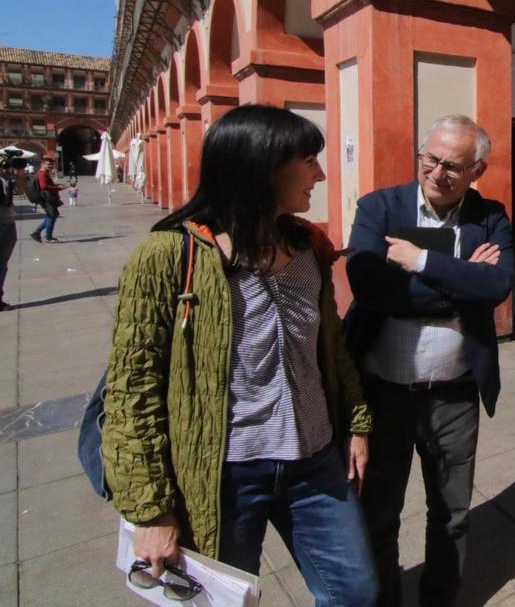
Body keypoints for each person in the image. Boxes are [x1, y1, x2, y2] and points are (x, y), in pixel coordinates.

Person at [100, 104, 378, 607]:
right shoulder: (169, 257)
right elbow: (131, 393)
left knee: (355, 592)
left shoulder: (308, 245)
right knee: (220, 603)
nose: (320, 173)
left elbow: (331, 349)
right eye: (308, 159)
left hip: (315, 463)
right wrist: (151, 512)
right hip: (224, 472)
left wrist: (356, 421)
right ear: (262, 166)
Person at [345, 115, 514, 607]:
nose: (438, 173)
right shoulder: (380, 207)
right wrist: (462, 282)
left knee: (452, 512)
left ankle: (440, 597)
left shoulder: (490, 216)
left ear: (477, 169)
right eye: (431, 159)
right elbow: (370, 287)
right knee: (378, 512)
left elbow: (499, 286)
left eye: (453, 166)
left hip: (454, 395)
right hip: (382, 392)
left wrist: (420, 262)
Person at [0, 155, 25, 310]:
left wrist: (20, 174)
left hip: (8, 223)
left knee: (2, 265)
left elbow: (20, 191)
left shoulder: (5, 178)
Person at [30, 156, 65, 243]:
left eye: (52, 165)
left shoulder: (43, 173)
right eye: (48, 164)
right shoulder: (42, 173)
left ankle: (37, 232)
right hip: (47, 198)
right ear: (42, 164)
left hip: (47, 198)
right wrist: (58, 187)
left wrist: (57, 185)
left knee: (52, 216)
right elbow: (44, 186)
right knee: (51, 216)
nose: (50, 166)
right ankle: (48, 237)